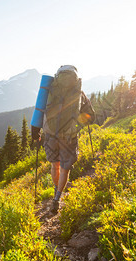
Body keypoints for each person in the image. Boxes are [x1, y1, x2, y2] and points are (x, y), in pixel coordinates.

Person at [31, 65, 95, 213]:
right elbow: (91, 116)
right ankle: (57, 198)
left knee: (55, 166)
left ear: (58, 75)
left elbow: (39, 109)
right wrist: (76, 125)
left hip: (50, 135)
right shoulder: (79, 93)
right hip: (69, 137)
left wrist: (35, 131)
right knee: (65, 169)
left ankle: (56, 189)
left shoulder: (49, 89)